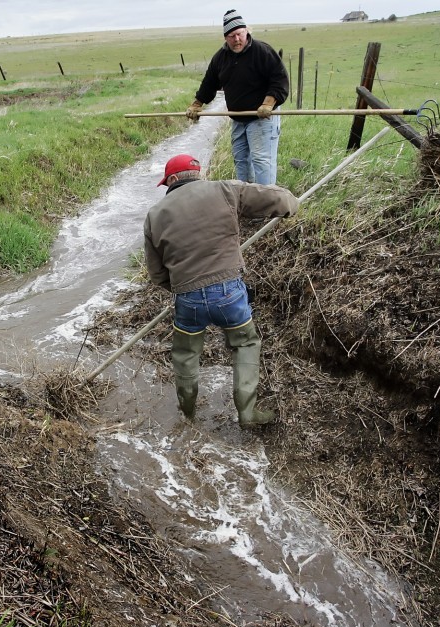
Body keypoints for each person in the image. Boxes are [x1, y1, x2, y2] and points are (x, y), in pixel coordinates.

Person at [143, 154, 298, 425]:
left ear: (174, 179)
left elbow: (157, 274)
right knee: (245, 344)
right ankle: (247, 413)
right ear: (197, 174)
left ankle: (188, 414)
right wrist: (292, 205)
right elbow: (279, 199)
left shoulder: (154, 215)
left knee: (186, 355)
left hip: (187, 299)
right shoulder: (225, 189)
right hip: (229, 294)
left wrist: (181, 287)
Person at [186, 9, 289, 186]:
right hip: (238, 119)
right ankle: (247, 199)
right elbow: (209, 83)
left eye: (239, 34)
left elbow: (279, 79)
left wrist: (269, 102)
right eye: (231, 36)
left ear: (246, 31)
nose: (237, 39)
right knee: (241, 159)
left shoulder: (262, 51)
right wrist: (197, 104)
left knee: (261, 160)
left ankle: (268, 204)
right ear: (225, 37)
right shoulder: (221, 57)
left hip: (261, 117)